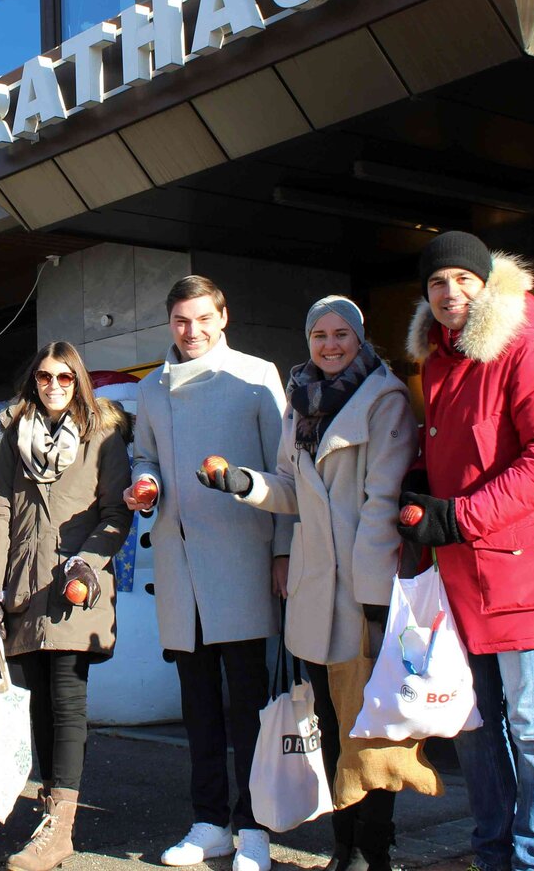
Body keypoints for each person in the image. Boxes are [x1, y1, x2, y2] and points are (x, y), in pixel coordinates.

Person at [397, 231, 534, 871]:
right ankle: (492, 851)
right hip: (459, 579)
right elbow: (454, 455)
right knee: (474, 724)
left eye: (463, 279)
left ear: (487, 285)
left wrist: (459, 517)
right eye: (436, 282)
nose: (449, 292)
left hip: (525, 575)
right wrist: (421, 482)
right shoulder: (438, 364)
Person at [222, 297, 417, 871]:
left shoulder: (385, 399)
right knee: (330, 724)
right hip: (315, 590)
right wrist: (245, 484)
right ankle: (343, 845)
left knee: (370, 728)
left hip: (361, 588)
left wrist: (375, 598)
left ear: (360, 337)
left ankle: (373, 850)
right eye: (319, 335)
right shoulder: (299, 401)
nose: (330, 345)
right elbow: (291, 487)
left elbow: (382, 503)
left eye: (340, 334)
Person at [125, 275, 290, 871]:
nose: (191, 331)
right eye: (180, 320)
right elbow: (143, 453)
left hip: (243, 557)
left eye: (202, 319)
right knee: (197, 704)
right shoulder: (151, 387)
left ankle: (255, 827)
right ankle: (208, 822)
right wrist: (146, 482)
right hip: (179, 561)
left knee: (249, 703)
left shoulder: (256, 375)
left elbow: (285, 471)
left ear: (224, 317)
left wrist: (283, 553)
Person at [0, 342, 133, 871]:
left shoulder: (103, 435)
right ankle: (49, 812)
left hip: (73, 587)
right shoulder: (14, 433)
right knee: (37, 703)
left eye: (65, 378)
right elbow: (0, 511)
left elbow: (116, 513)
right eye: (45, 377)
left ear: (79, 381)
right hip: (23, 585)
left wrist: (87, 562)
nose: (54, 386)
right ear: (34, 381)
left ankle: (60, 827)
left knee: (67, 701)